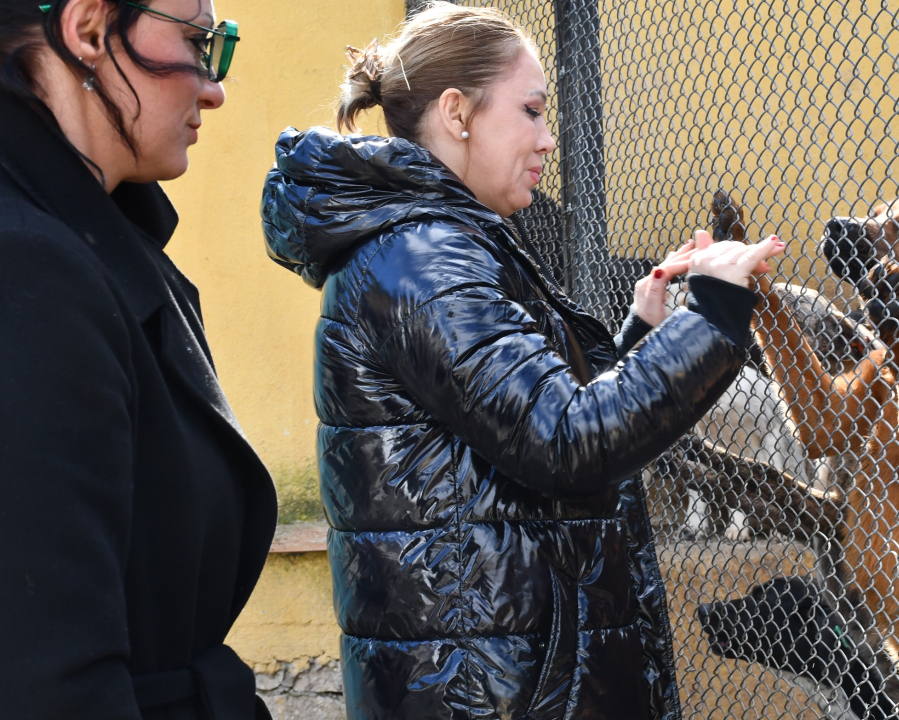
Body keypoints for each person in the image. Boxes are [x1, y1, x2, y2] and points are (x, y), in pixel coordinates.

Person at [261, 4, 784, 718]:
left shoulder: (437, 247)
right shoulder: (426, 261)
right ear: (457, 113)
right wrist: (717, 312)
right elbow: (568, 442)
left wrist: (640, 340)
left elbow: (521, 437)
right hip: (490, 688)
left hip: (498, 673)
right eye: (531, 111)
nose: (547, 141)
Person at [0, 1, 276, 718]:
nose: (213, 86)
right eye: (196, 41)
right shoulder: (28, 269)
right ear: (89, 30)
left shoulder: (91, 239)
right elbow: (49, 686)